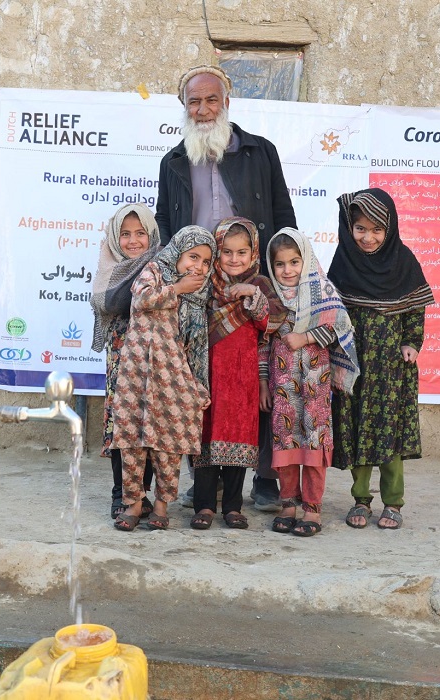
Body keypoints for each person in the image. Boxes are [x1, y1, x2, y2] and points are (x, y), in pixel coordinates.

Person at [155, 64, 297, 511]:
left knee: (259, 380)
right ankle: (208, 482)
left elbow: (282, 213)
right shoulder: (174, 161)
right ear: (184, 107)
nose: (202, 109)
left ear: (226, 103)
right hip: (198, 286)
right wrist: (171, 279)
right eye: (193, 102)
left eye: (210, 100)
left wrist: (278, 280)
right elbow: (164, 222)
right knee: (204, 383)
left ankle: (267, 478)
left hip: (251, 279)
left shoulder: (260, 152)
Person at [328, 188, 435, 530]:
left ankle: (393, 502)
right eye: (361, 229)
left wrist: (412, 342)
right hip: (354, 367)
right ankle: (360, 500)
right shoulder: (343, 262)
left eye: (377, 230)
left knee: (390, 438)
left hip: (392, 369)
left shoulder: (403, 261)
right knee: (359, 434)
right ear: (349, 228)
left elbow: (415, 308)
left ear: (389, 229)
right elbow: (331, 311)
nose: (369, 237)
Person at [110, 226, 215, 531]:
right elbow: (142, 299)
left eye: (206, 262)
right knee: (131, 441)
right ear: (178, 252)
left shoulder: (198, 297)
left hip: (173, 381)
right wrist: (178, 289)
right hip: (136, 378)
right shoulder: (154, 270)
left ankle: (160, 506)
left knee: (169, 445)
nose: (198, 266)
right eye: (193, 256)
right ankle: (132, 505)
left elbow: (196, 345)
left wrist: (198, 384)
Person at [259, 228, 359, 537]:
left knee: (313, 445)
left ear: (307, 260)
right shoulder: (270, 299)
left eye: (294, 262)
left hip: (315, 388)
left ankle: (312, 509)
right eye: (280, 264)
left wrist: (304, 337)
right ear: (271, 266)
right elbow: (262, 343)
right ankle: (288, 503)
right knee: (286, 443)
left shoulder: (321, 292)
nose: (287, 270)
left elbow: (339, 327)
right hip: (283, 388)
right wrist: (263, 382)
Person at [191, 218, 286, 530]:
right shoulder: (205, 287)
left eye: (242, 252)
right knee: (206, 438)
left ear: (253, 252)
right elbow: (192, 325)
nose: (234, 259)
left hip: (243, 380)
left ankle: (232, 506)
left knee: (239, 440)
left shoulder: (261, 286)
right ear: (216, 253)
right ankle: (204, 505)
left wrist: (251, 295)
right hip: (209, 376)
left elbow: (269, 323)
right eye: (227, 252)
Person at [90, 203, 161, 519]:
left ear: (152, 234)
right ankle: (121, 495)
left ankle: (142, 495)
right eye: (125, 234)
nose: (133, 241)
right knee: (122, 425)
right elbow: (106, 302)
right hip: (121, 360)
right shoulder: (110, 266)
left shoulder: (163, 266)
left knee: (148, 426)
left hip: (154, 359)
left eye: (141, 233)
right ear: (115, 239)